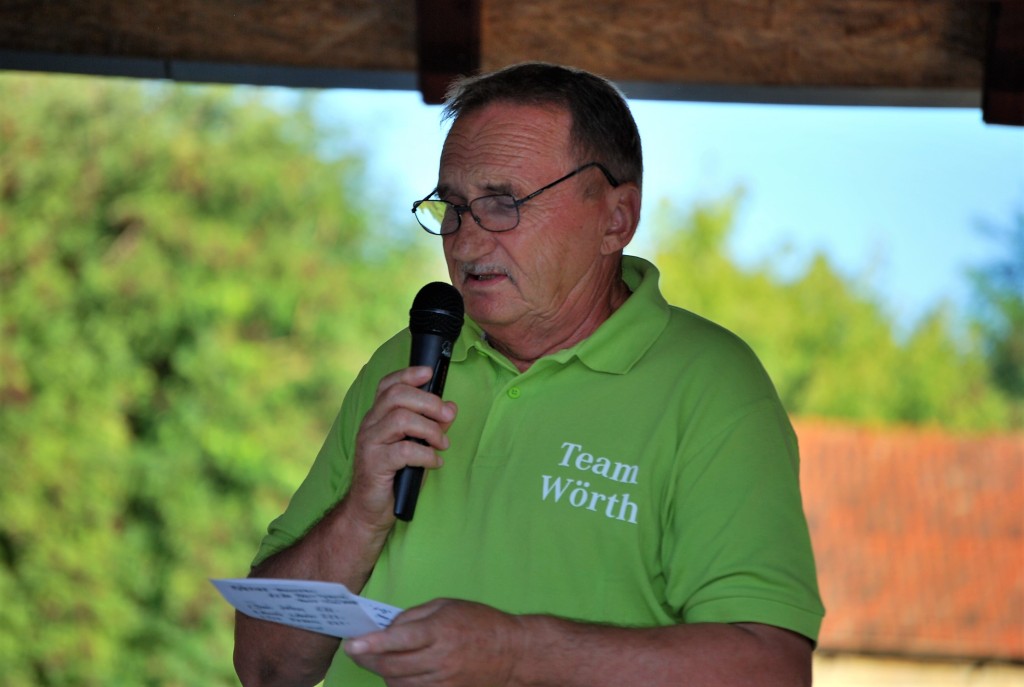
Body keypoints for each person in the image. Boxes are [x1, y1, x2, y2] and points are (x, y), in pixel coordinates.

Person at [233, 62, 824, 687]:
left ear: (616, 218)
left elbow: (771, 670)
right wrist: (358, 518)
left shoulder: (711, 385)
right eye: (452, 208)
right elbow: (265, 669)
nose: (464, 243)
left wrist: (516, 654)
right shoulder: (409, 360)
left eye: (503, 204)